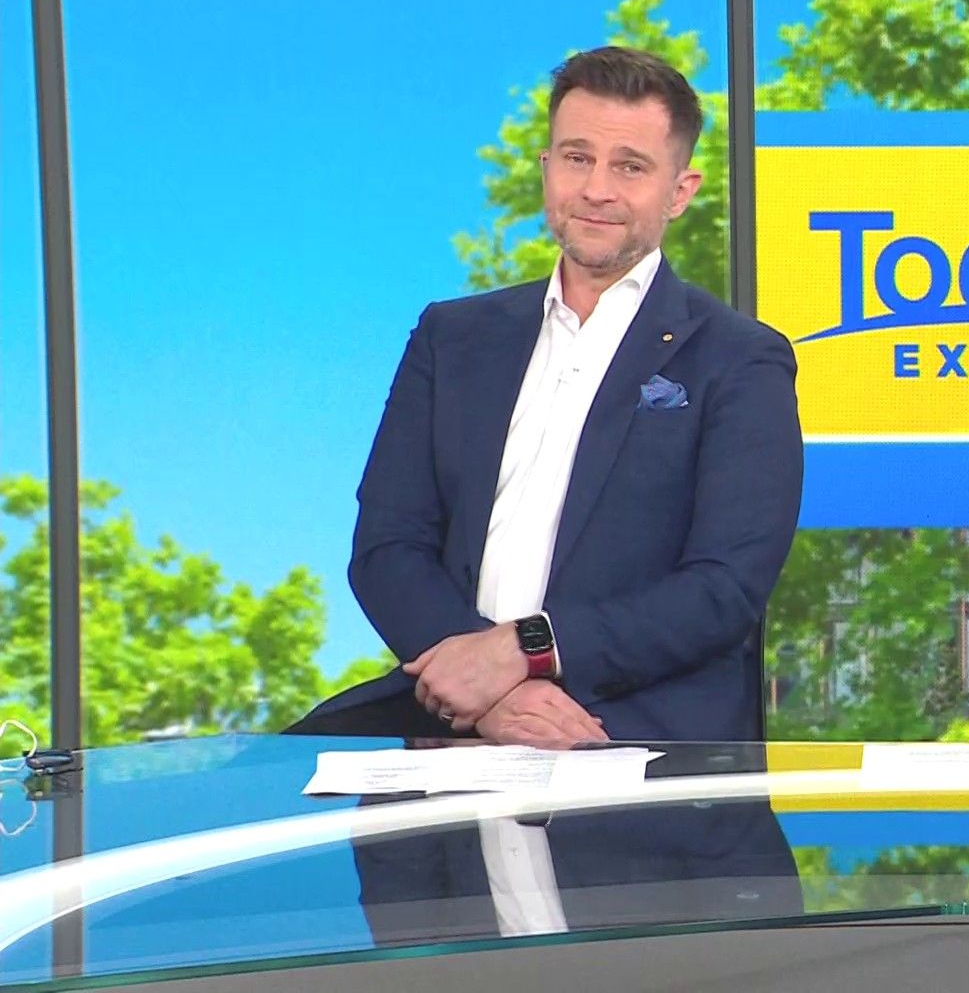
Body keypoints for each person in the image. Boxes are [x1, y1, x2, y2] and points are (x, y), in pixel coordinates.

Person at [291, 46, 803, 746]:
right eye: (576, 158)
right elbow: (388, 546)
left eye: (630, 166)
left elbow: (724, 588)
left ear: (680, 191)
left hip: (630, 737)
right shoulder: (452, 337)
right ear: (546, 168)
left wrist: (527, 650)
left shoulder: (740, 359)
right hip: (445, 723)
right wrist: (486, 694)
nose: (596, 189)